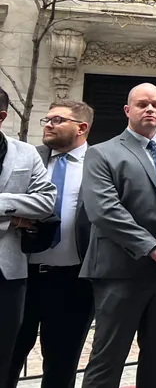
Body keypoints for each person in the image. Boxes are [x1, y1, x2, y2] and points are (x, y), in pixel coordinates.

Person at [80, 83, 156, 388]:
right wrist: (151, 248)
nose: (149, 109)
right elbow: (104, 210)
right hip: (122, 272)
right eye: (142, 104)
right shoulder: (102, 153)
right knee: (108, 360)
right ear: (127, 110)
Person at [9, 101, 95, 388]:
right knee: (8, 358)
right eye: (47, 118)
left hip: (73, 282)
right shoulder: (27, 158)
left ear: (82, 127)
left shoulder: (101, 163)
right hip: (21, 277)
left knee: (61, 366)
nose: (48, 124)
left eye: (58, 120)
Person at [0, 88, 57, 384]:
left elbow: (46, 201)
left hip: (9, 275)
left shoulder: (25, 153)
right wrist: (11, 221)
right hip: (12, 241)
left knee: (4, 356)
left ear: (1, 117)